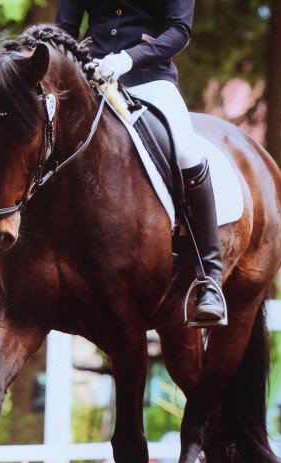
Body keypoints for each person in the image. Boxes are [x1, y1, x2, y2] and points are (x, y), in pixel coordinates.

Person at [56, 1, 226, 327]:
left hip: (149, 77)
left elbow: (178, 31)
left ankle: (209, 275)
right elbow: (64, 29)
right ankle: (22, 269)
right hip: (88, 77)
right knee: (42, 141)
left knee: (187, 151)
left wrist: (129, 58)